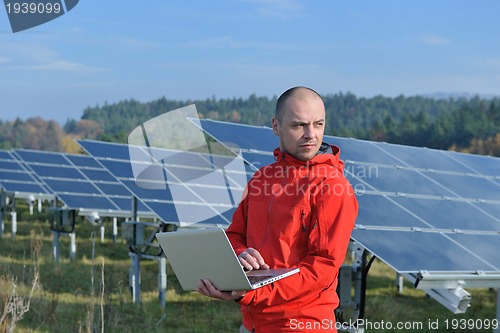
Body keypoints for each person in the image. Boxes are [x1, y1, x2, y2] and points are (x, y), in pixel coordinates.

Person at [197, 86, 358, 333]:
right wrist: (240, 255)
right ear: (276, 126)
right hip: (252, 324)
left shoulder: (333, 187)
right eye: (298, 125)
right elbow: (235, 235)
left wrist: (251, 292)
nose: (310, 134)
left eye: (318, 124)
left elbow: (322, 269)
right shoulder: (262, 178)